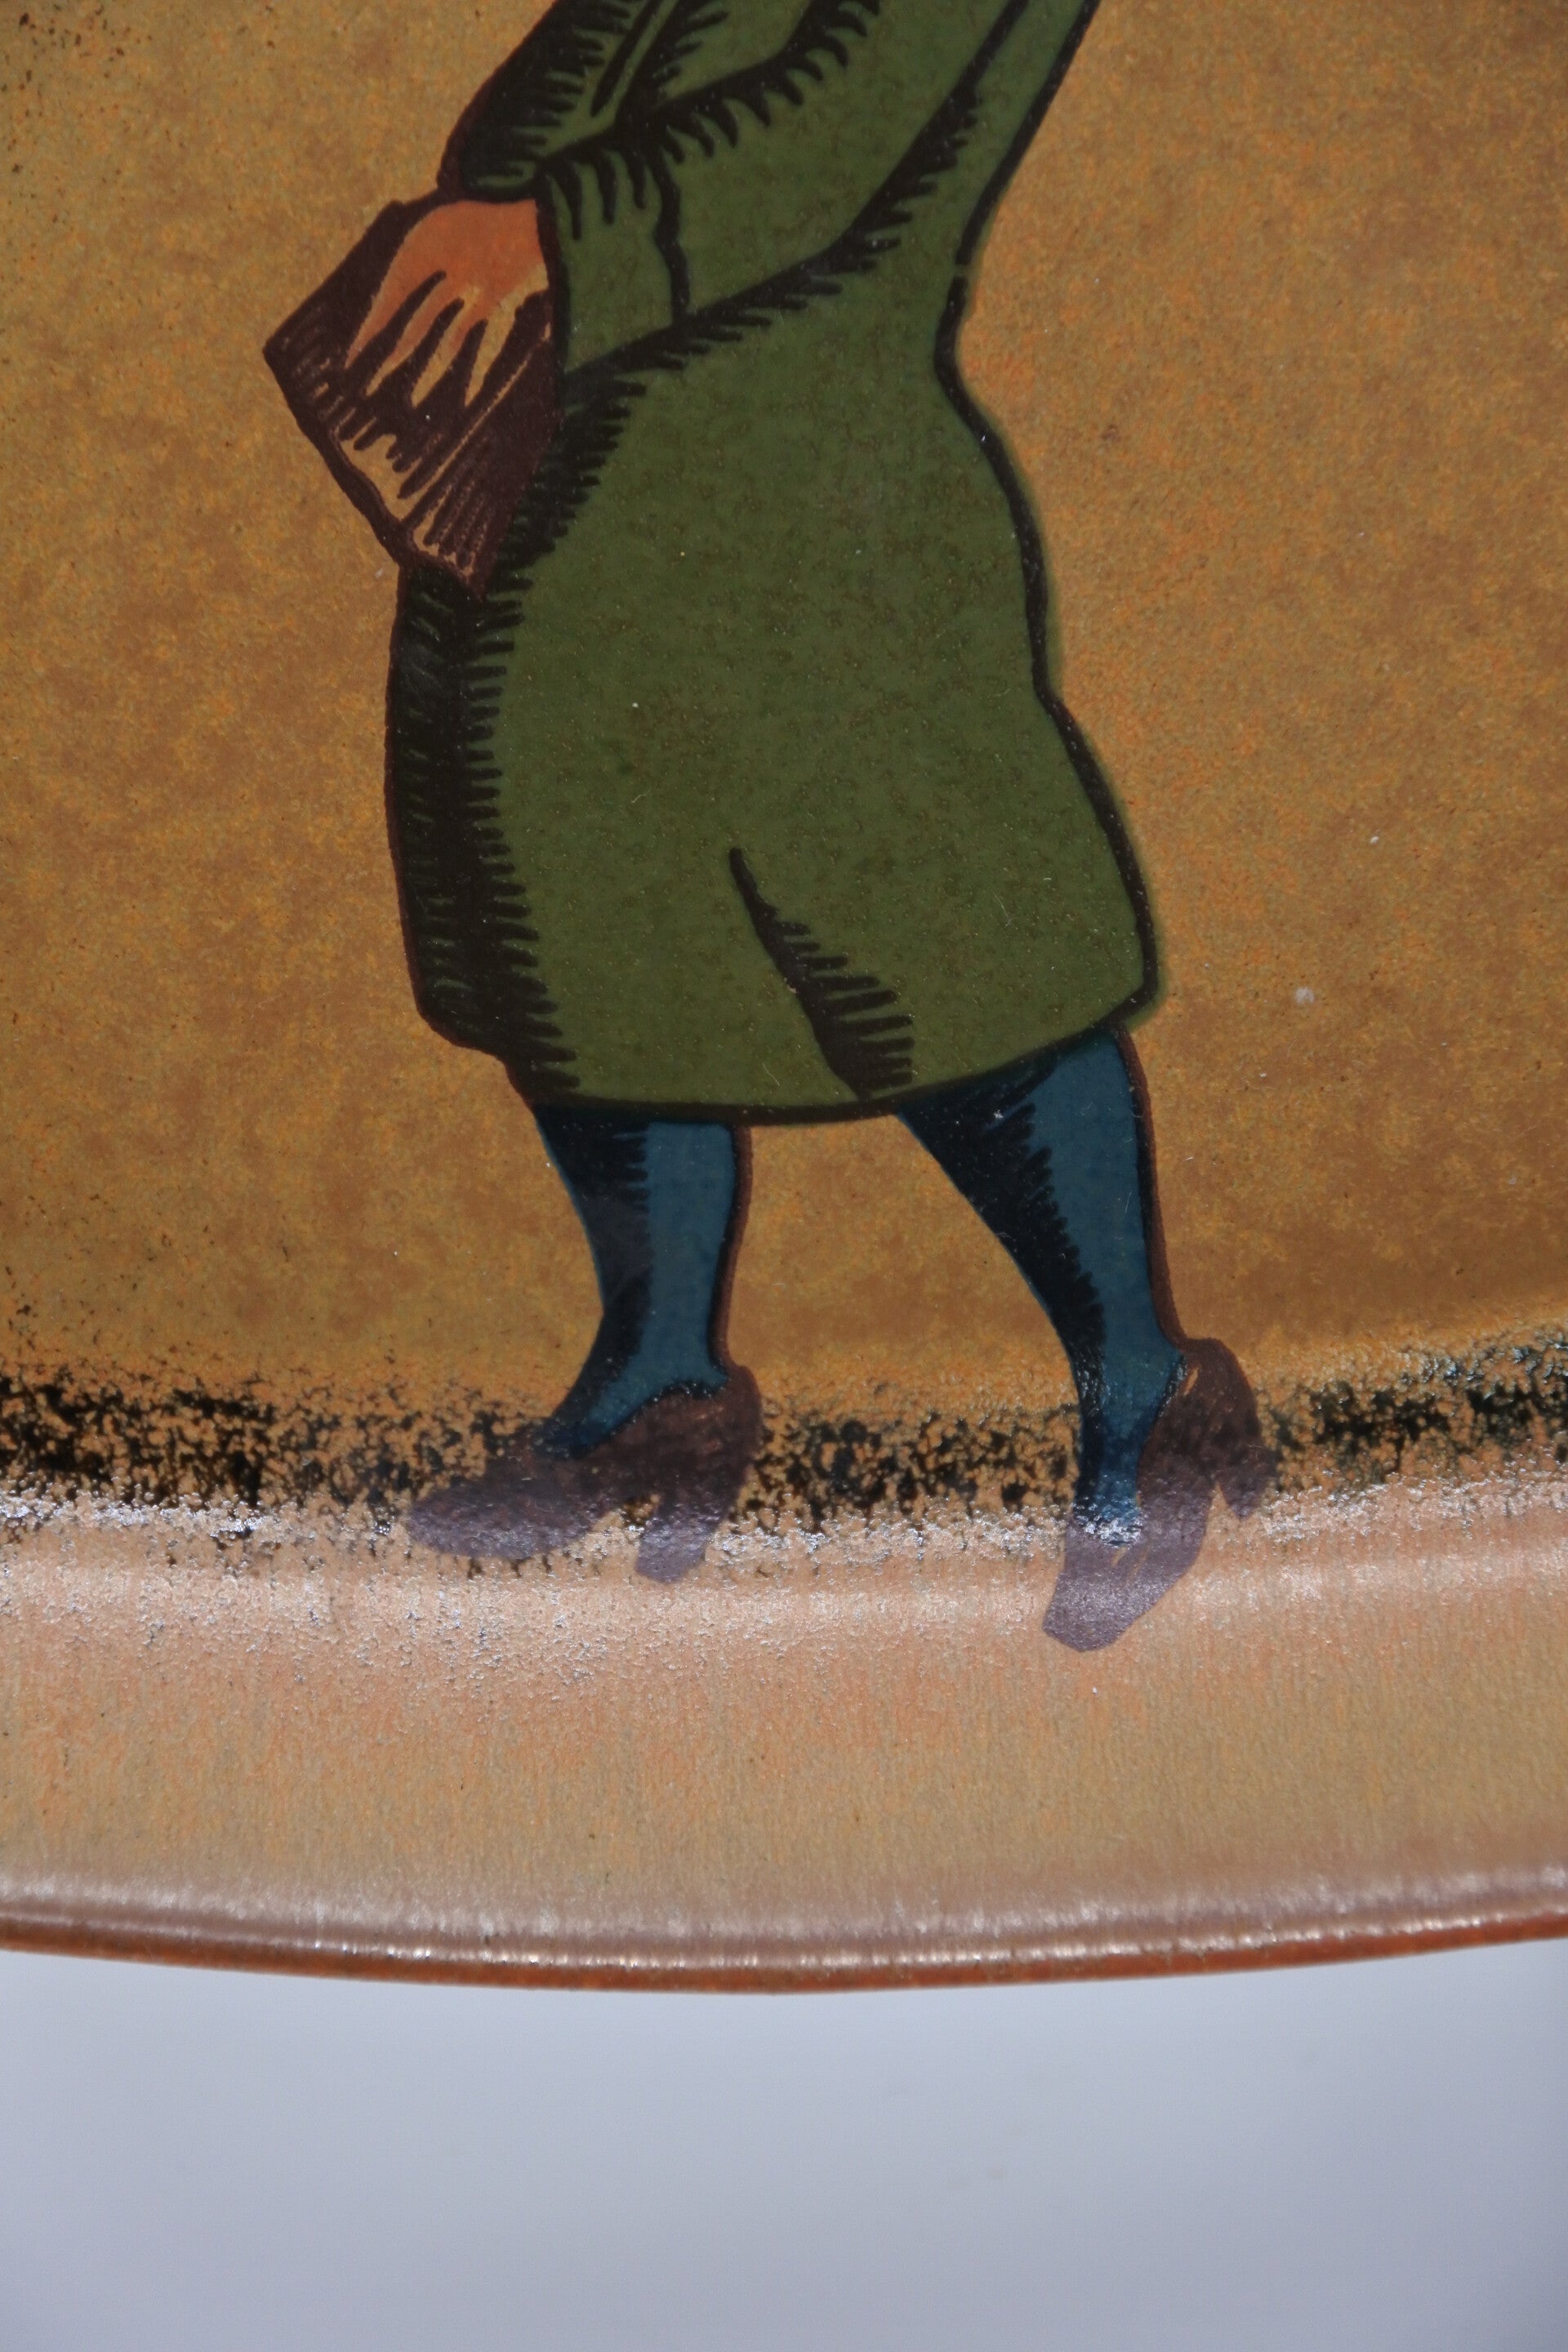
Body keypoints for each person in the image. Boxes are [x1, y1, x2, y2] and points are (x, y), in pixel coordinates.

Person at [336, 0, 1268, 1648]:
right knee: (585, 954)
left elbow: (830, 140)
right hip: (568, 512)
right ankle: (657, 1385)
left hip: (814, 518)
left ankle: (1148, 1388)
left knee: (948, 961)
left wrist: (550, 229)